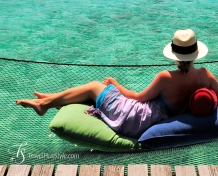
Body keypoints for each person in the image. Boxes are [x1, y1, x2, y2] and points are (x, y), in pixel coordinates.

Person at [16, 29, 218, 139]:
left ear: (174, 54)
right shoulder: (206, 76)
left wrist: (115, 84)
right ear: (195, 53)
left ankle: (45, 104)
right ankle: (50, 99)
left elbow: (138, 98)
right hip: (157, 118)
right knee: (95, 91)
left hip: (138, 119)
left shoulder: (166, 76)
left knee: (94, 86)